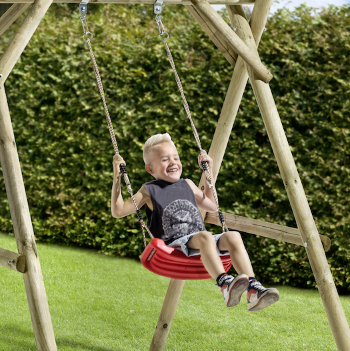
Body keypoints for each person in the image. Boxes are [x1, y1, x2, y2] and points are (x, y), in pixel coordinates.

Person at [111, 133, 279, 311]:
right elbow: (119, 211)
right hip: (174, 246)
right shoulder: (149, 190)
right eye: (165, 159)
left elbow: (212, 205)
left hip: (199, 241)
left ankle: (253, 289)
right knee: (205, 236)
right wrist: (117, 177)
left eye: (176, 157)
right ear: (150, 169)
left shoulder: (188, 184)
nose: (173, 162)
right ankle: (224, 284)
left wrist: (208, 172)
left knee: (234, 236)